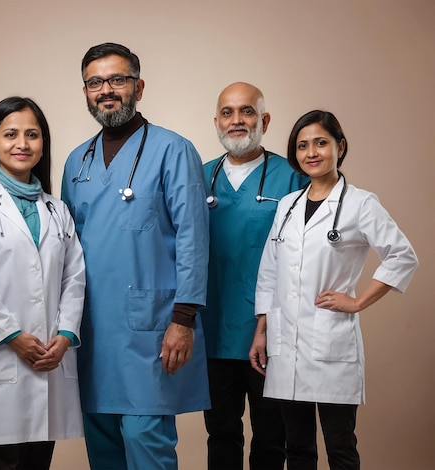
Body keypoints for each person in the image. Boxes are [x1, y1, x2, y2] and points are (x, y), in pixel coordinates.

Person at [61, 42, 210, 470]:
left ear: (138, 86)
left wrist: (183, 319)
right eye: (95, 82)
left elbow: (194, 239)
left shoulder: (173, 150)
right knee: (103, 446)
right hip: (90, 329)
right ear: (86, 91)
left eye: (117, 79)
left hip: (153, 329)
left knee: (146, 441)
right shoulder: (77, 162)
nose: (106, 89)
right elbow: (65, 251)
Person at [249, 110, 418, 470]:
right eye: (302, 145)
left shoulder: (361, 203)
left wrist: (358, 301)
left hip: (330, 344)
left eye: (321, 143)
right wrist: (262, 329)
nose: (312, 152)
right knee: (296, 448)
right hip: (285, 345)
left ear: (339, 147)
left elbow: (402, 256)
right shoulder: (287, 207)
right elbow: (269, 271)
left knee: (340, 448)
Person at [0, 96, 86, 470]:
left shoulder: (57, 210)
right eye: (10, 134)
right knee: (2, 462)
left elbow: (74, 278)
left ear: (42, 143)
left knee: (37, 462)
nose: (22, 144)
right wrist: (13, 336)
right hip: (2, 356)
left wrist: (65, 334)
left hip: (50, 354)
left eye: (32, 134)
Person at [201, 82, 308, 470]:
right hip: (212, 332)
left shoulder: (292, 177)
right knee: (221, 436)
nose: (236, 120)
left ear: (263, 120)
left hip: (273, 334)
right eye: (227, 113)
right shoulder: (199, 177)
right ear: (216, 121)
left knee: (271, 438)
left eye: (246, 111)